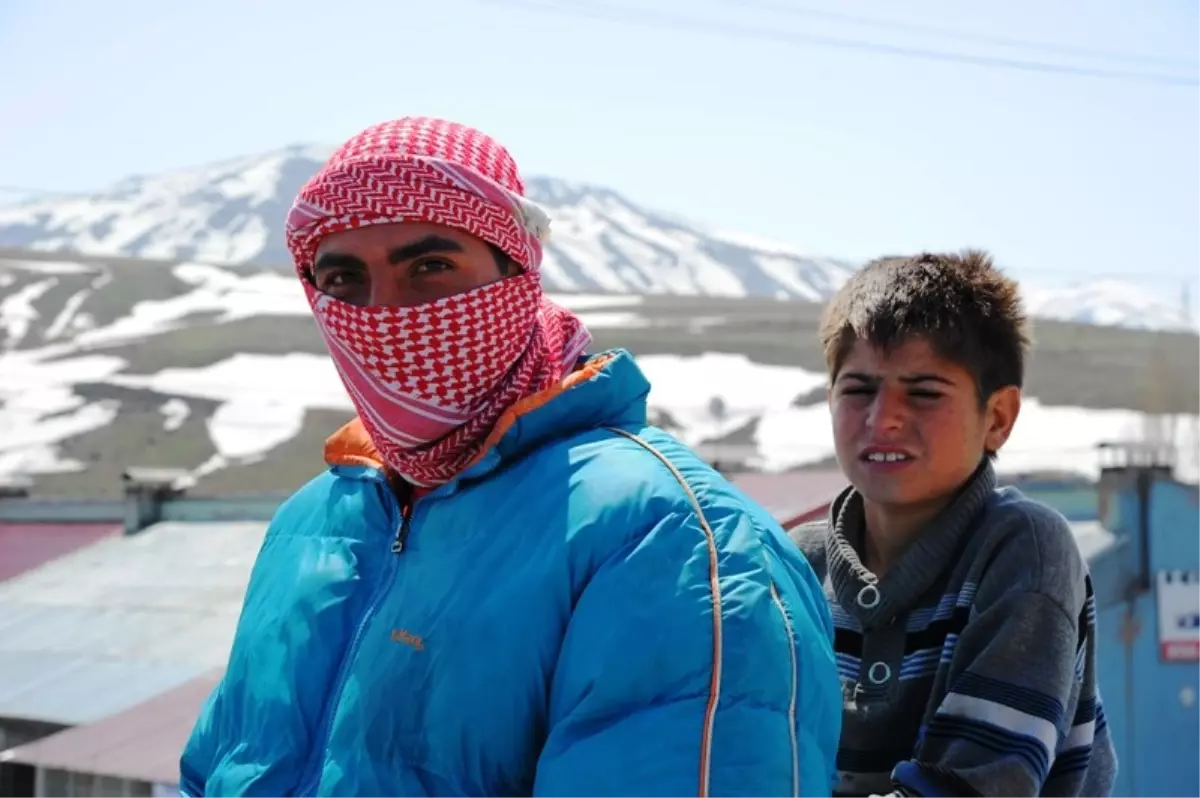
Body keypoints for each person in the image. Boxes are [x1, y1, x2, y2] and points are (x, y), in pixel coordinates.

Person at [179, 116, 842, 797]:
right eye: (344, 280)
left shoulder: (668, 538)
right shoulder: (314, 521)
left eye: (430, 267)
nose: (386, 316)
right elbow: (217, 771)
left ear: (518, 271)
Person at [791, 250, 1118, 798]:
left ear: (997, 418)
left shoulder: (1024, 552)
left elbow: (976, 786)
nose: (883, 417)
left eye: (923, 393)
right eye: (858, 389)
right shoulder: (796, 564)